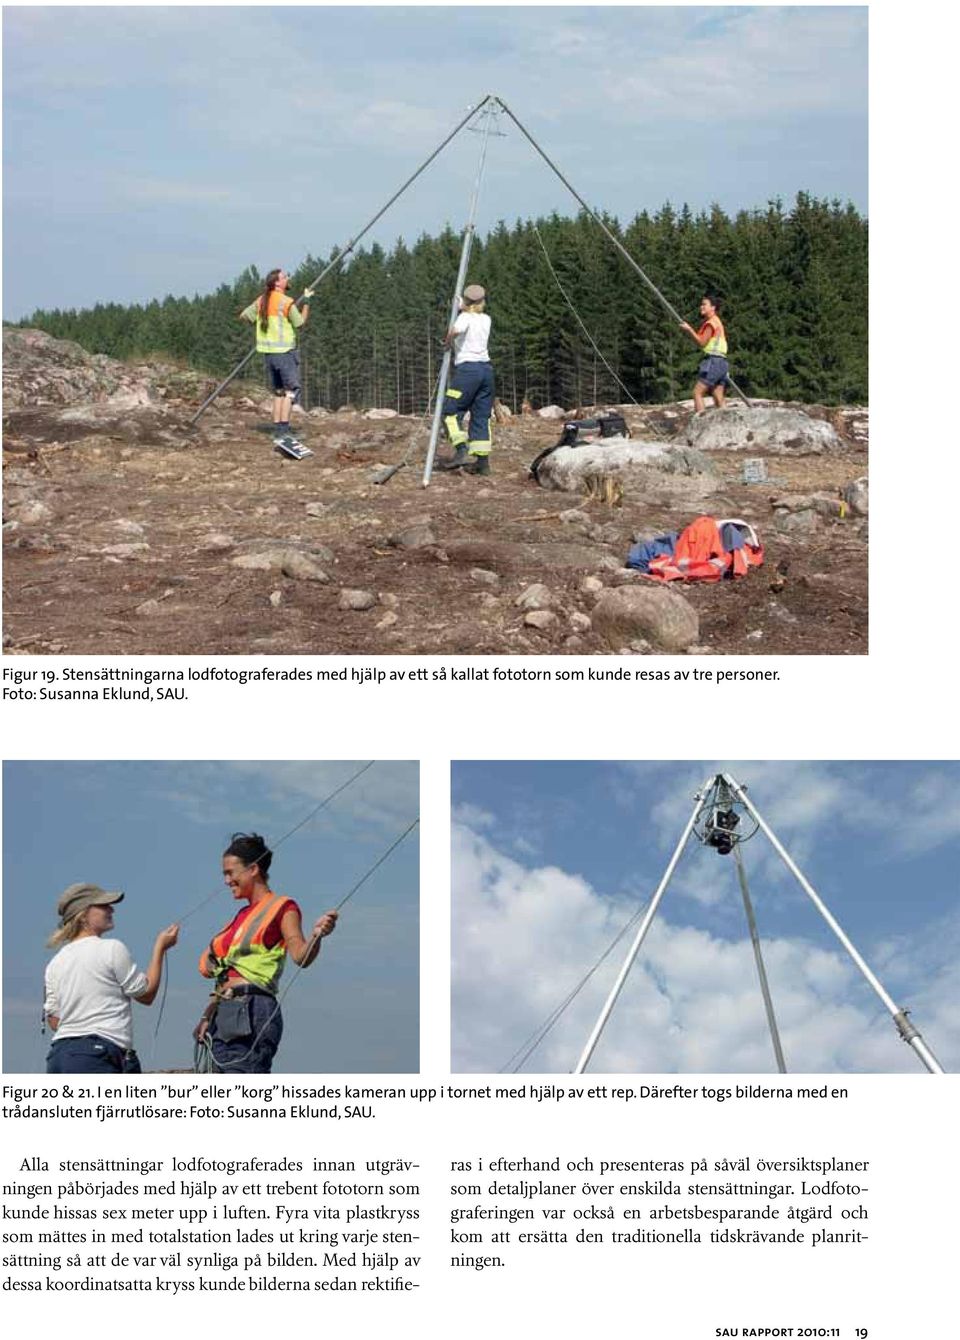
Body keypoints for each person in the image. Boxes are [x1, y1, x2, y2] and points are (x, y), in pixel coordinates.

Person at [194, 833, 338, 1073]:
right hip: (224, 1013)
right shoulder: (238, 918)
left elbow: (301, 956)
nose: (227, 880)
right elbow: (224, 974)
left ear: (253, 869)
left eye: (230, 872)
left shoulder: (283, 907)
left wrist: (317, 935)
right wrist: (207, 1016)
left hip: (252, 1008)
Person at [44, 883, 179, 1074]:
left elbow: (54, 1020)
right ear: (83, 915)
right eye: (103, 905)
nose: (111, 909)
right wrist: (160, 948)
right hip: (98, 1056)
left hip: (59, 1056)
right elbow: (146, 994)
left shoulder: (55, 963)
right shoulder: (112, 948)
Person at [239, 268, 315, 460]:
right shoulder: (286, 302)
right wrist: (306, 301)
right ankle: (283, 431)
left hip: (269, 353)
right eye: (284, 277)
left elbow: (244, 316)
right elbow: (300, 323)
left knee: (279, 392)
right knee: (291, 391)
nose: (287, 278)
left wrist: (262, 327)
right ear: (277, 283)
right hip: (285, 353)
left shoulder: (262, 300)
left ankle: (279, 431)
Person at [437, 283, 495, 475]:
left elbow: (455, 331)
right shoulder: (486, 319)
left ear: (466, 302)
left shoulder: (464, 318)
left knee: (450, 411)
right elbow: (473, 314)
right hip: (486, 371)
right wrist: (463, 306)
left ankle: (461, 450)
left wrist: (447, 343)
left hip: (468, 372)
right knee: (481, 416)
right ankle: (482, 463)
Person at [680, 293, 730, 413]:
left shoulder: (711, 323)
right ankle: (726, 423)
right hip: (722, 363)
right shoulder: (717, 322)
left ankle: (701, 424)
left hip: (714, 362)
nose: (701, 307)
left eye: (704, 304)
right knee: (718, 397)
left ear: (713, 308)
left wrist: (689, 330)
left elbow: (701, 342)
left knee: (697, 392)